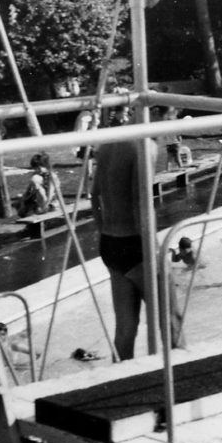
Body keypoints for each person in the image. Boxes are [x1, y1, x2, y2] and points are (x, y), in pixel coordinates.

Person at [91, 135, 151, 359]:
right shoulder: (144, 146)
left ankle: (120, 382)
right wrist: (152, 247)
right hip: (134, 241)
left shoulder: (107, 144)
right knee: (170, 318)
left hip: (110, 242)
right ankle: (179, 383)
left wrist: (102, 229)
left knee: (125, 329)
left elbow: (94, 195)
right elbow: (139, 203)